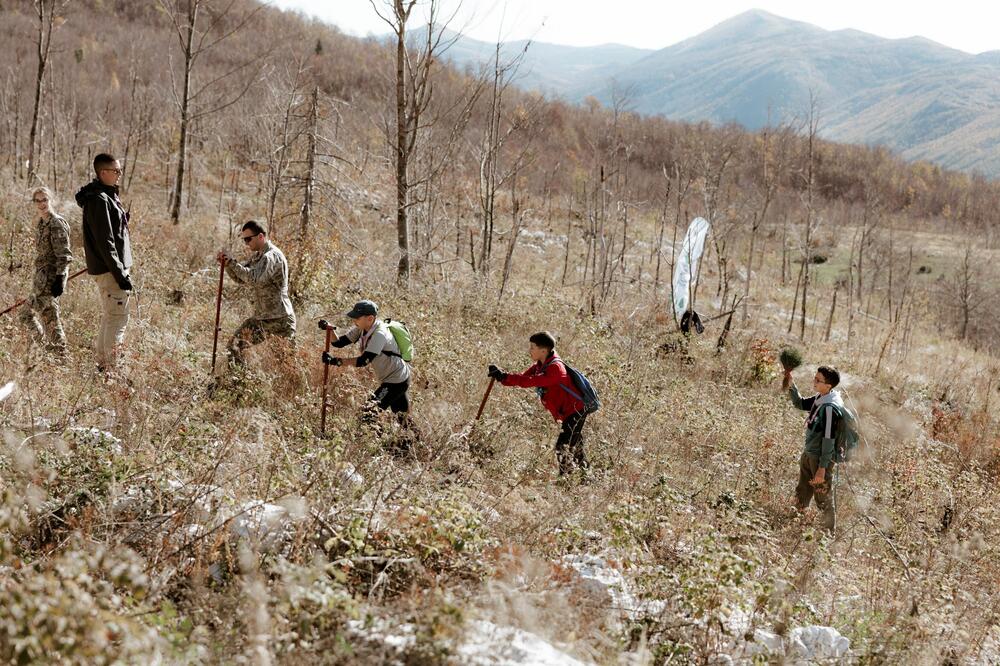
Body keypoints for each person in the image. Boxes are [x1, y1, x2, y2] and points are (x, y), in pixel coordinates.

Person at [488, 332, 589, 478]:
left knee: (563, 446)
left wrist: (505, 377)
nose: (530, 350)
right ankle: (587, 476)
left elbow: (530, 381)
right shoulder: (540, 365)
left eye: (532, 347)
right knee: (574, 442)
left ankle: (565, 479)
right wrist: (501, 377)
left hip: (575, 410)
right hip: (568, 410)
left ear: (544, 350)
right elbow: (523, 378)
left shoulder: (555, 368)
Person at [75, 153, 133, 373]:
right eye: (116, 171)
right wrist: (120, 274)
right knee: (118, 319)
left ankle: (102, 366)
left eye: (120, 170)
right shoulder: (99, 199)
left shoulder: (105, 196)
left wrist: (122, 222)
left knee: (111, 317)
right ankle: (111, 370)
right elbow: (105, 241)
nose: (119, 174)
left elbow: (110, 235)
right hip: (111, 271)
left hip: (110, 269)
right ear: (103, 173)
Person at [216, 220, 296, 365]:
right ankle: (238, 383)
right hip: (263, 319)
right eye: (244, 240)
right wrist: (228, 265)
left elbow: (254, 278)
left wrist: (233, 263)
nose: (246, 243)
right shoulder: (259, 256)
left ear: (260, 236)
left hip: (281, 320)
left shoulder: (271, 256)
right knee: (235, 346)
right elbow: (241, 278)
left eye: (248, 239)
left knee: (286, 364)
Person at [319, 300, 411, 421]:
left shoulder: (380, 334)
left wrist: (336, 361)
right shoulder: (362, 328)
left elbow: (364, 361)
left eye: (357, 318)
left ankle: (376, 438)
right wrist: (329, 329)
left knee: (368, 414)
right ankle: (413, 439)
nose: (354, 320)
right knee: (402, 419)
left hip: (396, 381)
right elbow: (339, 343)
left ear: (370, 318)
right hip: (394, 378)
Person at [782, 364, 844, 533]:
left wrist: (822, 468)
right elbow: (800, 404)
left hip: (820, 459)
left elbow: (829, 440)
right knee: (802, 491)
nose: (814, 381)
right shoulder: (820, 398)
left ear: (828, 385)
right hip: (809, 454)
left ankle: (828, 535)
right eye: (814, 377)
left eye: (818, 380)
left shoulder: (830, 407)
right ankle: (795, 527)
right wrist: (791, 382)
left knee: (822, 498)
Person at [19, 186, 72, 355]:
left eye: (45, 200)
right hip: (40, 280)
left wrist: (60, 279)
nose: (42, 204)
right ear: (34, 203)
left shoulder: (56, 223)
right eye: (38, 200)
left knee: (26, 315)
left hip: (51, 280)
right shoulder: (42, 223)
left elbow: (64, 255)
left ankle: (47, 350)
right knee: (51, 318)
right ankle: (58, 356)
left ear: (50, 200)